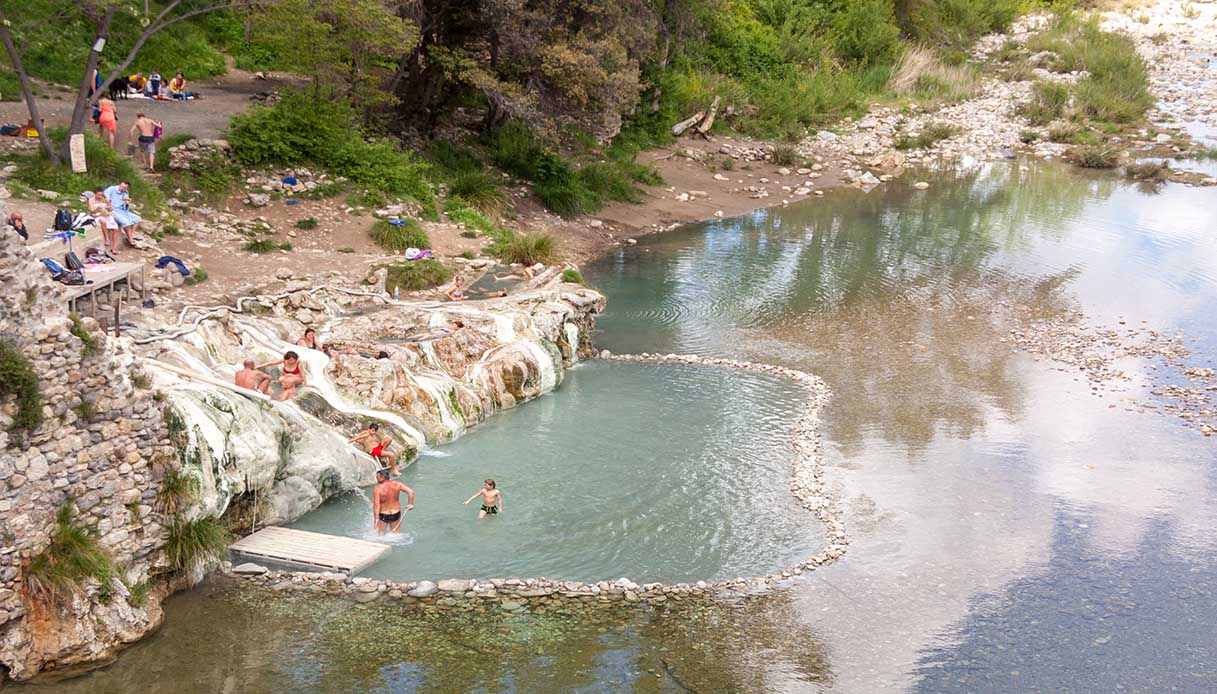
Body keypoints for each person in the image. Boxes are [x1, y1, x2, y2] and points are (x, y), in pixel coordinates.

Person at [372, 469, 414, 534]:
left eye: (377, 477)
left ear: (382, 477)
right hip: (395, 513)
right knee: (396, 535)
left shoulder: (377, 489)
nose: (376, 479)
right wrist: (410, 504)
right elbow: (411, 492)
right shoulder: (397, 484)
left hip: (384, 515)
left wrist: (376, 519)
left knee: (380, 535)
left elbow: (376, 505)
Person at [103, 182, 142, 246]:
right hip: (113, 210)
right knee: (126, 222)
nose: (122, 188)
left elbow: (126, 204)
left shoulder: (125, 193)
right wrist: (108, 203)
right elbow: (105, 194)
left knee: (138, 219)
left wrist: (127, 203)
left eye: (124, 188)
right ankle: (130, 239)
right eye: (121, 186)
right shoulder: (112, 189)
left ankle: (132, 234)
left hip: (122, 210)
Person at [87, 190, 119, 255]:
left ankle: (115, 247)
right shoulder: (91, 200)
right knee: (103, 221)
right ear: (95, 194)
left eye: (101, 195)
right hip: (97, 215)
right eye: (98, 195)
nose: (100, 196)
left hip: (105, 214)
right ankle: (106, 238)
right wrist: (96, 209)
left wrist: (108, 207)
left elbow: (110, 209)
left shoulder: (104, 199)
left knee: (115, 228)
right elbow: (91, 211)